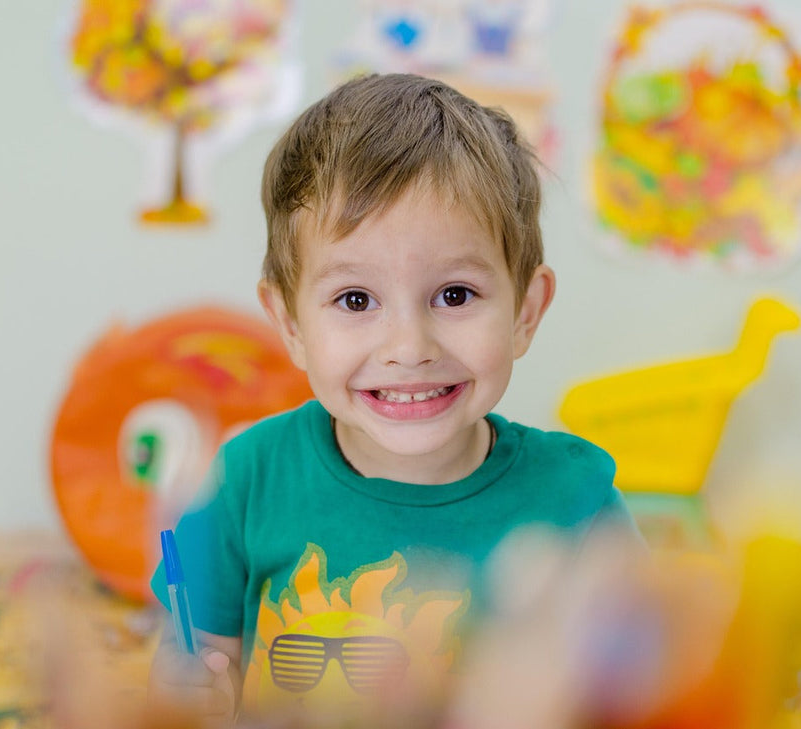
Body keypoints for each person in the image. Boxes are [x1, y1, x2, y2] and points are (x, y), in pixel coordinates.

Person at [147, 72, 637, 727]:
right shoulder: (245, 479)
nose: (409, 346)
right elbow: (194, 665)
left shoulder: (576, 496)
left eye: (455, 294)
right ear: (289, 322)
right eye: (356, 300)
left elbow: (638, 684)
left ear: (526, 309)